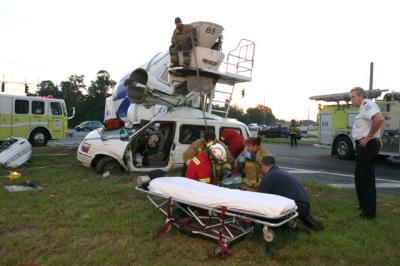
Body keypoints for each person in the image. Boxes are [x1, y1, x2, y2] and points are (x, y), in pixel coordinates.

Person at [258, 155, 324, 231]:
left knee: (265, 214)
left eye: (261, 166)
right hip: (305, 204)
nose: (261, 168)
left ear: (265, 166)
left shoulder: (269, 176)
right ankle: (302, 221)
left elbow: (260, 196)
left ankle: (292, 224)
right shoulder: (280, 172)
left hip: (296, 206)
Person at [350, 87, 385, 219]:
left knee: (366, 180)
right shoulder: (366, 106)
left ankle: (369, 213)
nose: (351, 99)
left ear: (360, 96)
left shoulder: (366, 104)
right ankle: (364, 205)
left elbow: (380, 119)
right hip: (363, 145)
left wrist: (370, 136)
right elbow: (382, 121)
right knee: (359, 177)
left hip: (366, 145)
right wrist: (379, 136)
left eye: (353, 97)